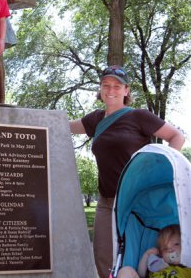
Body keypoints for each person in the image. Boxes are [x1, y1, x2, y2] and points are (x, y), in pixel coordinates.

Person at [69, 66, 185, 278]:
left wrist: (165, 171)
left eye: (117, 86)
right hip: (107, 200)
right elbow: (62, 126)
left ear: (126, 90)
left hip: (138, 199)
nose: (110, 90)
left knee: (138, 252)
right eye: (106, 85)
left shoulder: (139, 116)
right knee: (103, 255)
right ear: (101, 89)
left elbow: (177, 136)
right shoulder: (95, 120)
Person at [117, 225, 191, 278]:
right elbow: (141, 274)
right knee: (126, 271)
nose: (170, 249)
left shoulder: (188, 269)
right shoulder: (156, 265)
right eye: (165, 248)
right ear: (161, 254)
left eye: (176, 244)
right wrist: (147, 255)